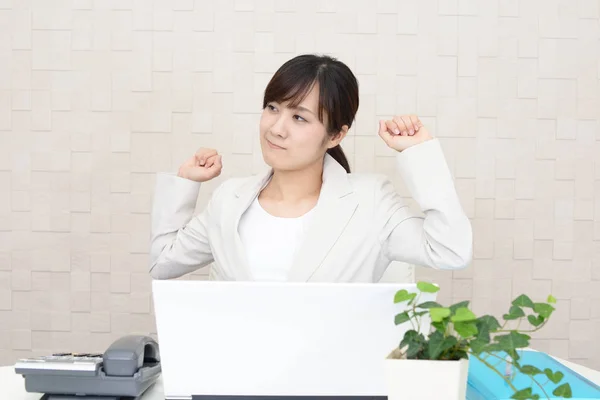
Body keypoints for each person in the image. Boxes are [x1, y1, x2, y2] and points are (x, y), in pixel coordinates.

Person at [149, 54, 472, 282]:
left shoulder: (370, 201)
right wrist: (186, 183)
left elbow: (450, 252)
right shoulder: (230, 198)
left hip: (333, 376)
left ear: (336, 135)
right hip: (240, 372)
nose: (276, 128)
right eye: (272, 108)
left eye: (299, 117)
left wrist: (420, 154)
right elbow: (163, 264)